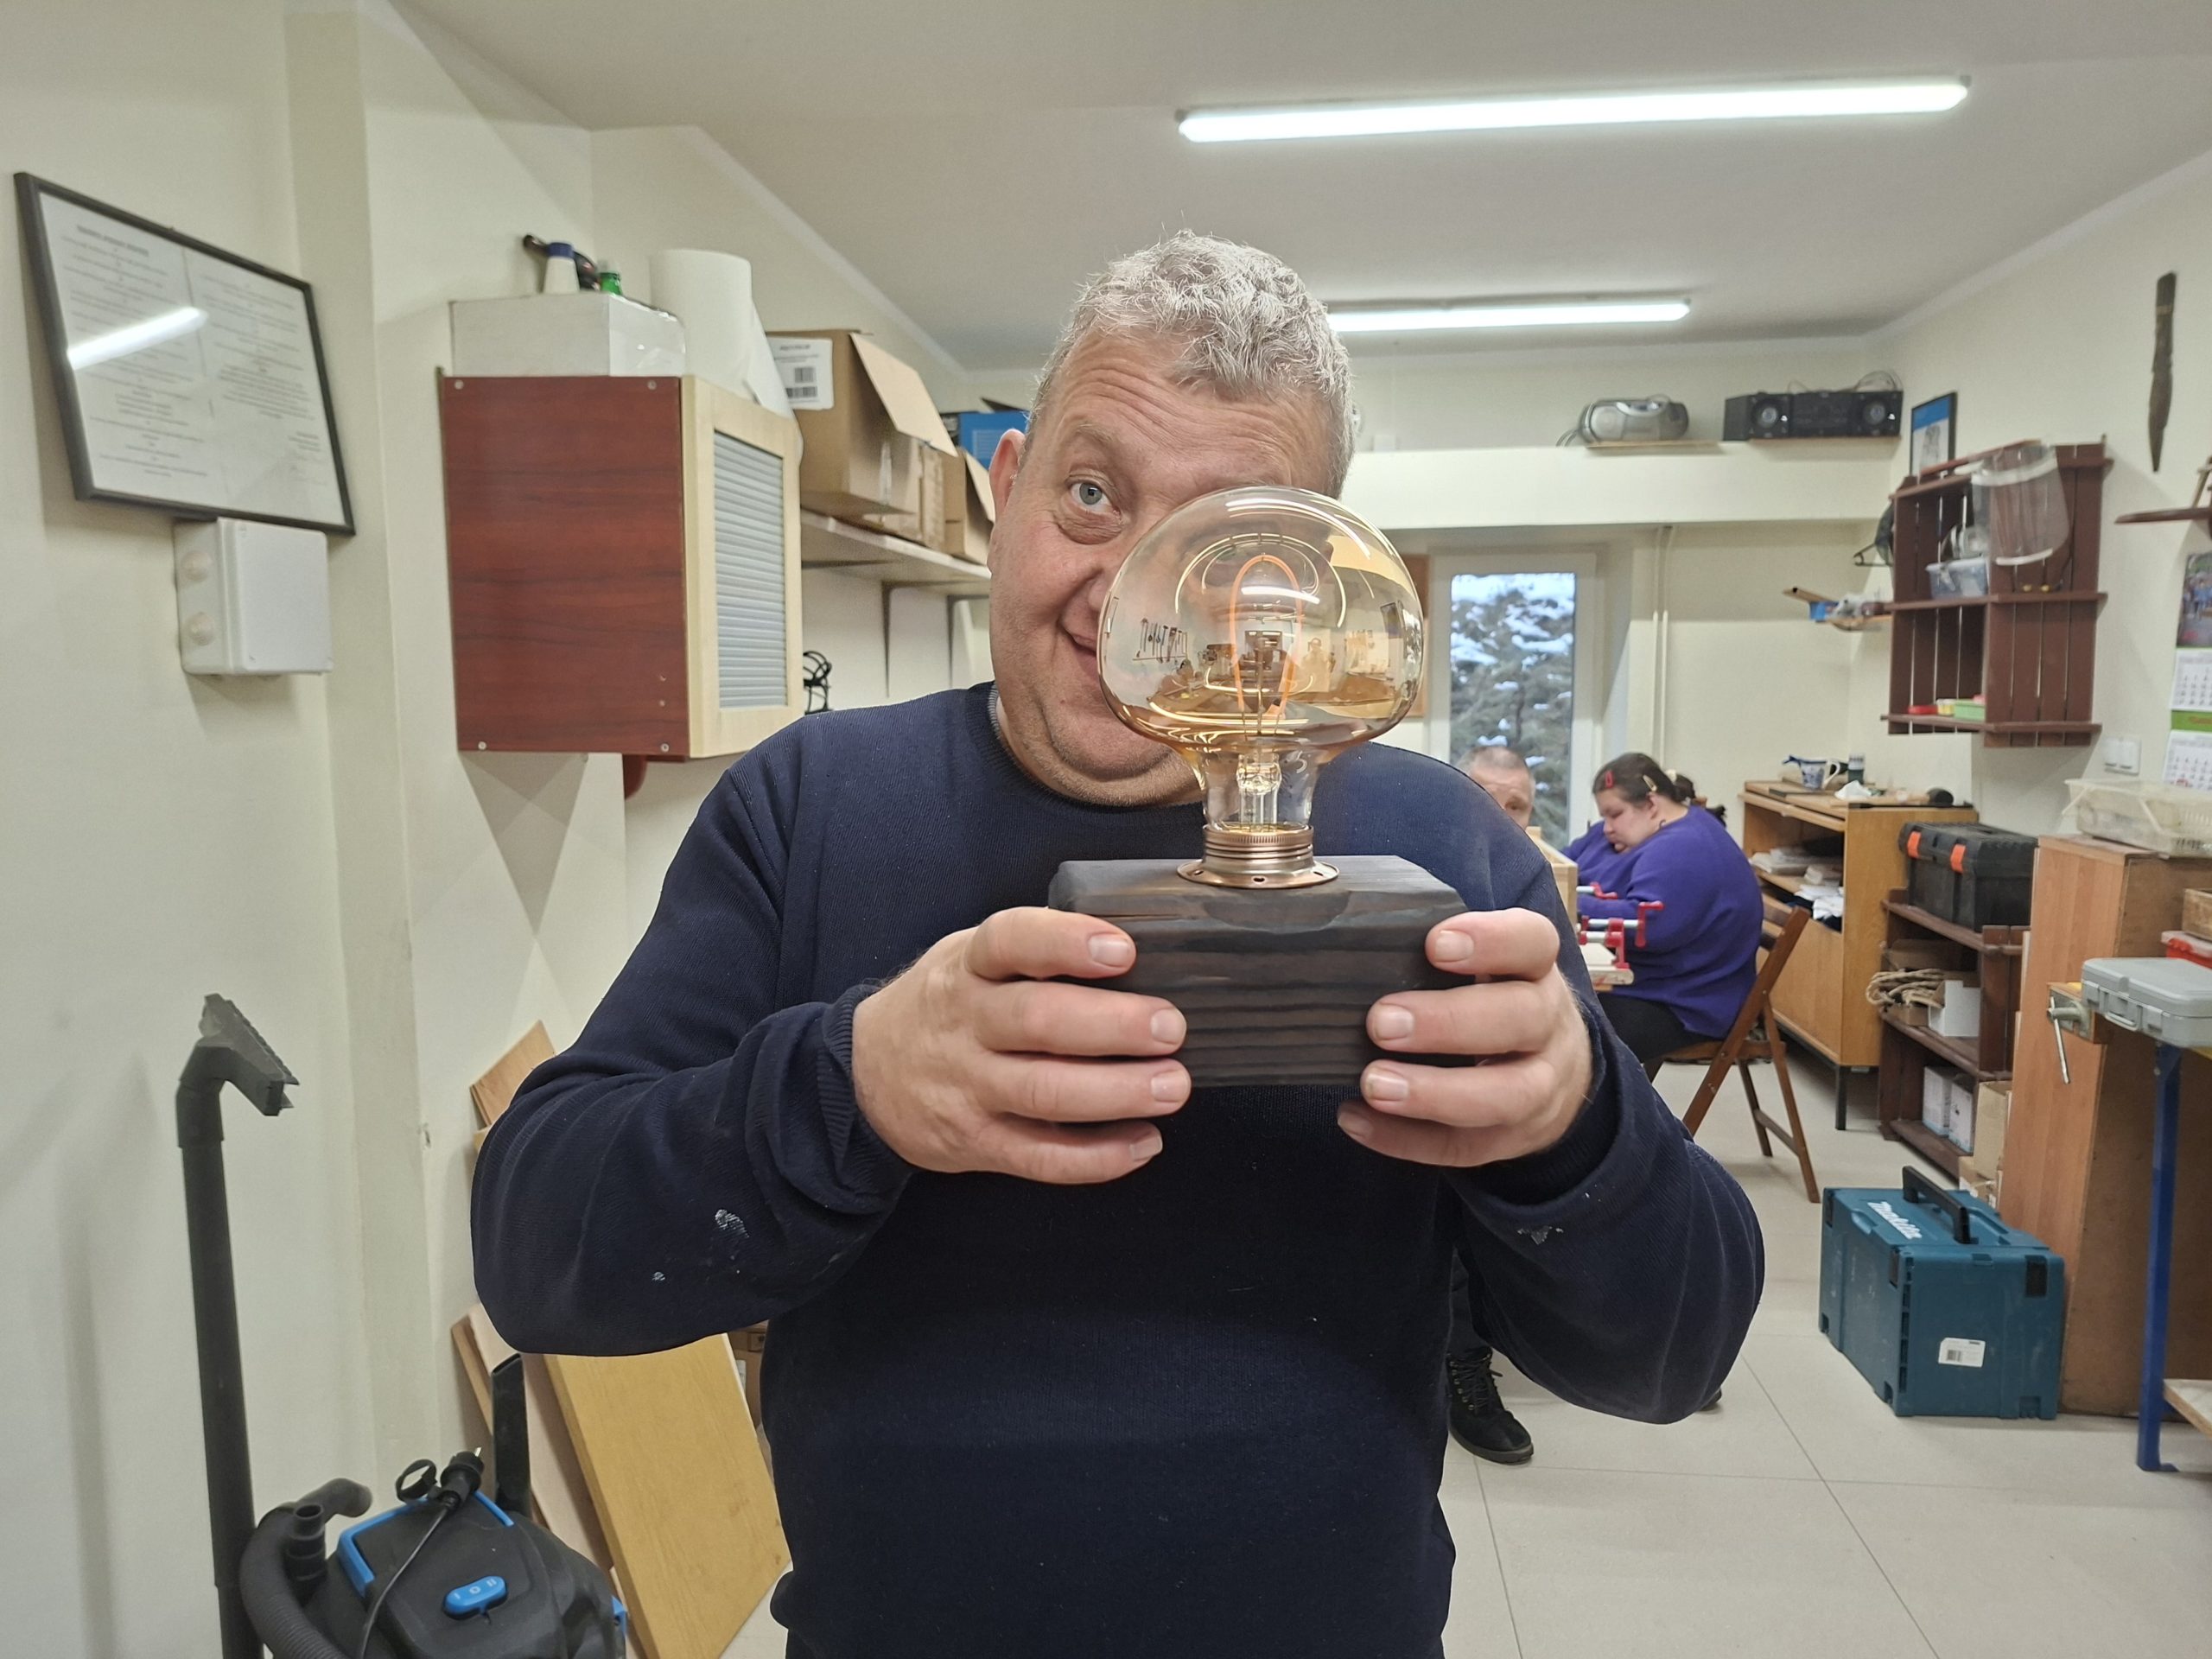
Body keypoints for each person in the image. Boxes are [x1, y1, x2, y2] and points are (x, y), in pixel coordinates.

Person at [474, 234, 1762, 1659]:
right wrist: (856, 1082)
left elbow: (1672, 1355)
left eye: (1222, 545)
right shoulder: (814, 806)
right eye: (1095, 496)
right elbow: (539, 1248)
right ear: (1007, 485)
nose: (1129, 595)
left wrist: (1573, 1132)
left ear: (1308, 572)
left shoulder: (1447, 851)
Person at [1444, 747, 1541, 1465]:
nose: (1503, 819)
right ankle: (1462, 1358)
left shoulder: (1530, 878)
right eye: (1488, 800)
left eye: (1518, 807)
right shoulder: (1418, 858)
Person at [1565, 753, 1764, 1068]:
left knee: (1563, 1032)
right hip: (1644, 984)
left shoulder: (1686, 847)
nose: (1607, 828)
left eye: (1615, 814)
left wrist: (1571, 903)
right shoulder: (1625, 835)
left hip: (1682, 1003)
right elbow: (1564, 864)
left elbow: (1650, 925)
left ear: (1651, 804)